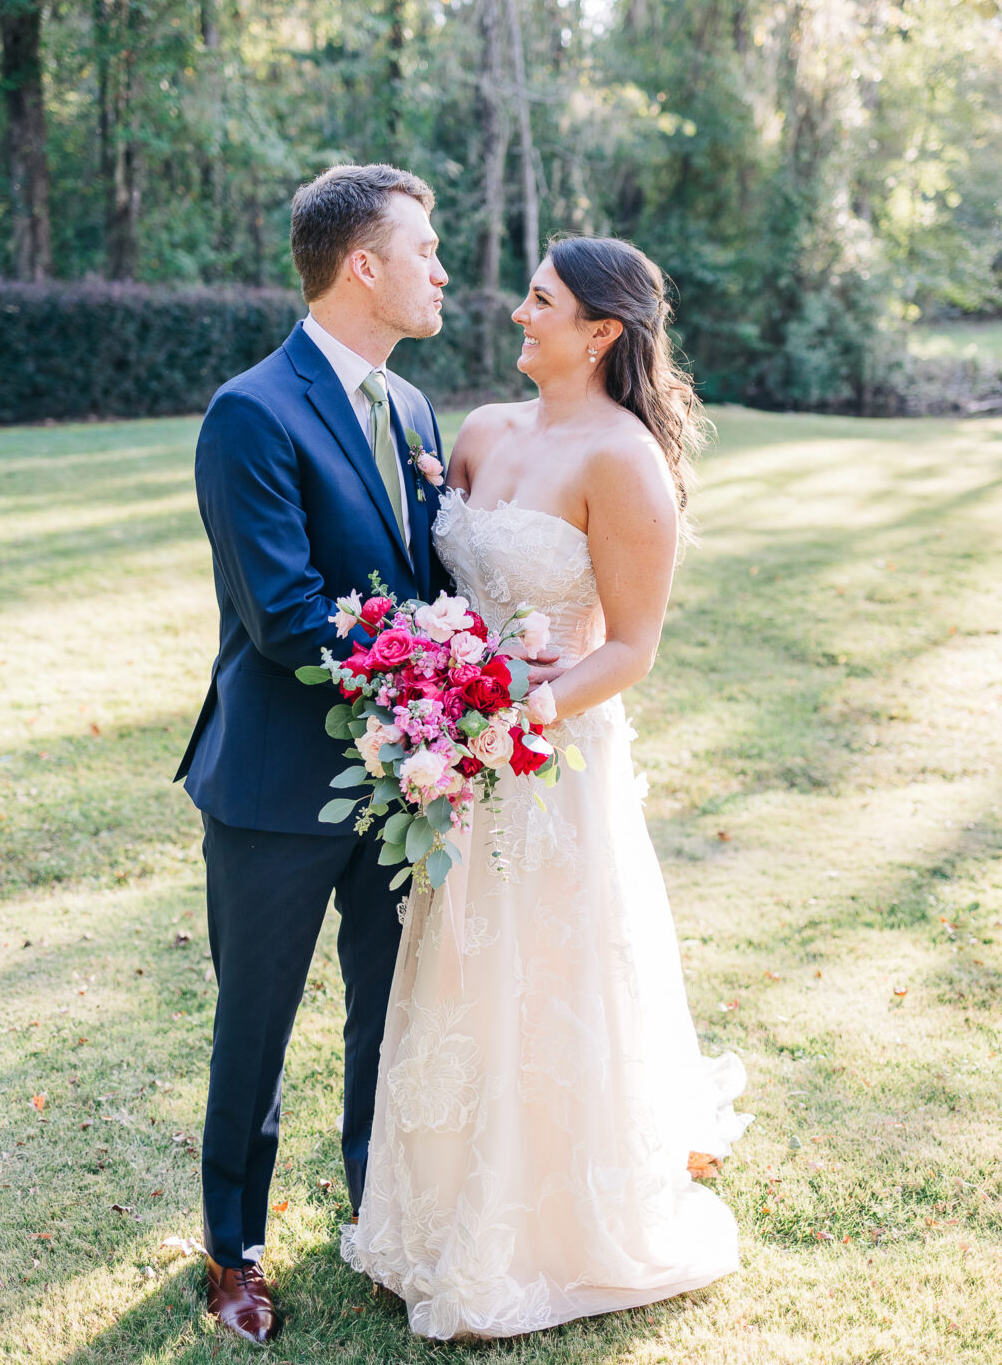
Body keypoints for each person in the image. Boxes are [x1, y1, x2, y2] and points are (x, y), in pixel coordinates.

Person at [342, 235, 751, 1340]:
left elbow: (630, 650)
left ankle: (543, 1230)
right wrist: (437, 697)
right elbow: (448, 572)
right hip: (453, 757)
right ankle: (431, 1211)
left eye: (540, 300)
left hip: (545, 759)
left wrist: (502, 715)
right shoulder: (480, 431)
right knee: (460, 968)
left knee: (544, 974)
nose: (517, 313)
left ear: (600, 331)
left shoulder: (624, 464)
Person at [175, 163, 451, 1344]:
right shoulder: (252, 411)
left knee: (387, 1014)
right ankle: (232, 1251)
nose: (443, 273)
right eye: (424, 252)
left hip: (402, 782)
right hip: (275, 787)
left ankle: (374, 1217)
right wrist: (443, 670)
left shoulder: (418, 409)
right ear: (363, 267)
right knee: (259, 1021)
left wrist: (448, 709)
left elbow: (425, 571)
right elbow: (286, 618)